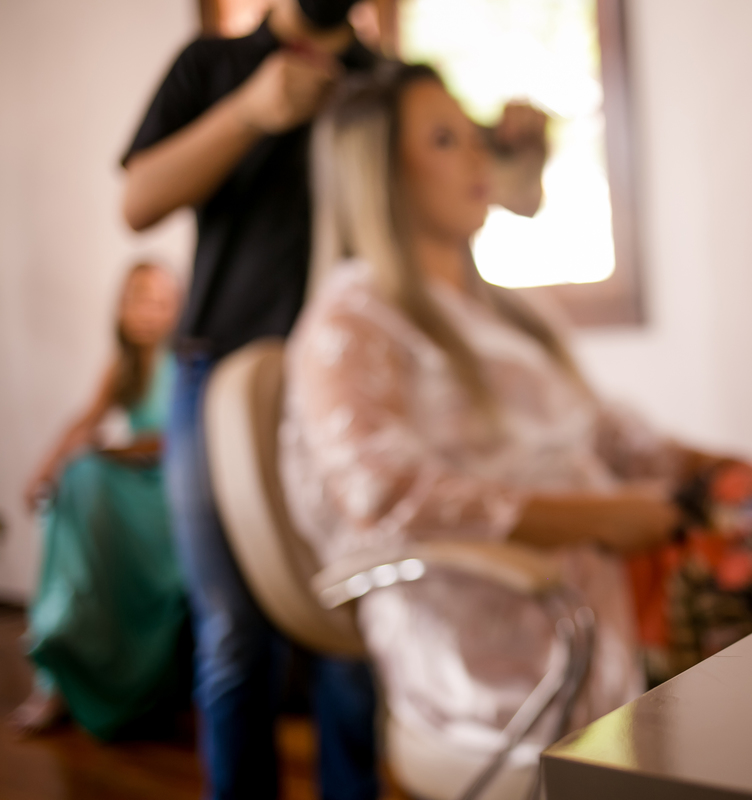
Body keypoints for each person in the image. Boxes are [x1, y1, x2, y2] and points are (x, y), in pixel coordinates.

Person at [121, 1, 551, 797]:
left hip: (358, 385)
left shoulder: (390, 85)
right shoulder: (210, 66)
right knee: (234, 636)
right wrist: (248, 113)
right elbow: (136, 201)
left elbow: (506, 196)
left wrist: (521, 153)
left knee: (357, 634)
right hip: (218, 376)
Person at [280, 64, 726, 793]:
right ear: (378, 172)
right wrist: (601, 517)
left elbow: (601, 431)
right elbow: (384, 490)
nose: (477, 154)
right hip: (501, 629)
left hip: (601, 590)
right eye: (444, 139)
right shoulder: (352, 318)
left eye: (474, 134)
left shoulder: (504, 313)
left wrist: (714, 467)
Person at [12, 262, 187, 740]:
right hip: (129, 490)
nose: (149, 312)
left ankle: (62, 638)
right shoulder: (123, 367)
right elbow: (86, 421)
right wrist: (47, 466)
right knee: (72, 483)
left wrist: (105, 453)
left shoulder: (183, 361)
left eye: (161, 302)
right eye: (140, 300)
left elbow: (170, 440)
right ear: (122, 309)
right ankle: (58, 648)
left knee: (87, 474)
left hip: (168, 496)